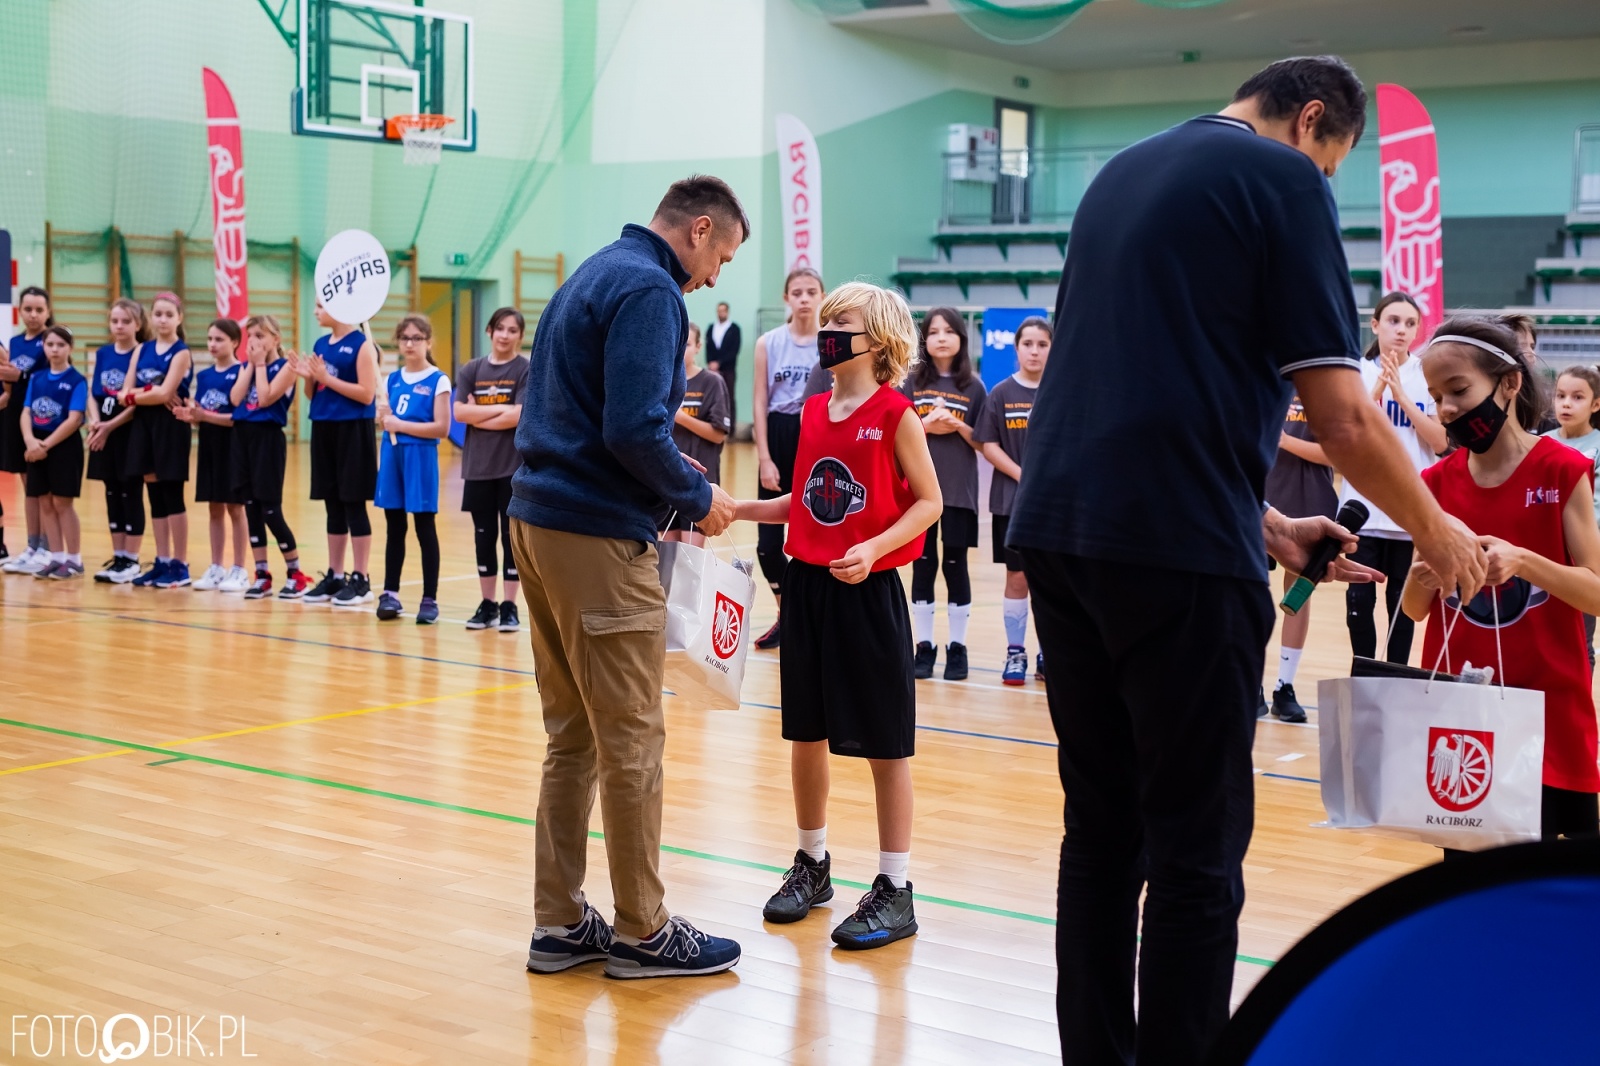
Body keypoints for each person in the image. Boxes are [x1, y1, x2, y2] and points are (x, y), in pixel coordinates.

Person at [1005, 56, 1486, 1065]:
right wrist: (1437, 531)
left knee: (1100, 833)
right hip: (1173, 559)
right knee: (1194, 846)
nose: (1327, 181)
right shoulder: (1281, 182)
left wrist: (1267, 524)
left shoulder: (1120, 173)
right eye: (1333, 161)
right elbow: (1345, 416)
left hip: (1059, 533)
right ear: (1311, 120)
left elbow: (1135, 399)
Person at [509, 175, 745, 979]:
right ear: (699, 229)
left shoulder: (593, 271)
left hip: (536, 524)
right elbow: (634, 430)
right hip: (594, 537)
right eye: (723, 255)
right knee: (632, 736)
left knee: (572, 735)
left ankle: (559, 921)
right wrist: (696, 495)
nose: (717, 275)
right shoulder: (650, 290)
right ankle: (644, 931)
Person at [735, 281, 941, 949]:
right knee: (806, 733)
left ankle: (895, 887)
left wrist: (875, 547)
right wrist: (736, 509)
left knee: (885, 743)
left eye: (839, 322)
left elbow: (929, 502)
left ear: (877, 340)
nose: (825, 332)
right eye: (823, 322)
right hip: (810, 588)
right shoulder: (812, 411)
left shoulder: (896, 412)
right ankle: (812, 863)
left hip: (870, 590)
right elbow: (803, 499)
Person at [1402, 318, 1600, 843]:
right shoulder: (1434, 484)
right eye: (1437, 396)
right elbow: (1416, 609)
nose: (1445, 409)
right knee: (1475, 894)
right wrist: (1424, 574)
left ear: (1509, 383)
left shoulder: (1563, 469)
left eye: (1459, 390)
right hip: (1465, 723)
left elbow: (1597, 594)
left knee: (1558, 897)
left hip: (1551, 719)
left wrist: (1524, 562)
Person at [1340, 291, 1447, 665]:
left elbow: (1439, 442)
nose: (1402, 330)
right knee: (1359, 607)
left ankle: (1396, 681)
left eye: (1410, 323)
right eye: (1394, 321)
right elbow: (1351, 432)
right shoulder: (1356, 370)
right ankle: (1363, 679)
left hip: (1408, 513)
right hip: (1363, 509)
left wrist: (1402, 396)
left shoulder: (1424, 374)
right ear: (1375, 325)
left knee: (1401, 613)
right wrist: (1380, 388)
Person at [904, 307, 988, 682]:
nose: (941, 337)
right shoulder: (912, 381)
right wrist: (927, 425)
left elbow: (985, 442)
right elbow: (898, 429)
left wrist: (954, 424)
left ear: (961, 339)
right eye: (933, 331)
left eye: (949, 331)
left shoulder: (975, 387)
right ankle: (924, 646)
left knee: (956, 566)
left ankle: (957, 647)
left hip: (958, 492)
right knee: (922, 565)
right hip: (918, 493)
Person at [751, 267, 825, 649]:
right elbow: (761, 401)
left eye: (811, 291)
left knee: (809, 533)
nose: (804, 298)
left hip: (816, 437)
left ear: (821, 296)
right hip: (778, 434)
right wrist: (764, 456)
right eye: (797, 292)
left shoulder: (829, 344)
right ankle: (787, 611)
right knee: (767, 543)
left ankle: (809, 619)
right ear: (786, 299)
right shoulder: (769, 342)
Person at [974, 315, 1049, 685]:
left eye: (1042, 344)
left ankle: (1049, 651)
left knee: (1052, 579)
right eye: (1028, 344)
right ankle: (1015, 652)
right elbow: (988, 444)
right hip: (1012, 501)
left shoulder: (1061, 389)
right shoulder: (1001, 393)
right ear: (1016, 348)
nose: (1034, 351)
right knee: (1017, 576)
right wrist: (1024, 475)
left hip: (1054, 504)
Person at [295, 300, 379, 608]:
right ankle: (335, 574)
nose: (315, 310)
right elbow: (311, 395)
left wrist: (327, 378)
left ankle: (361, 578)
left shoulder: (362, 345)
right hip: (323, 427)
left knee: (353, 503)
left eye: (320, 305)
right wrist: (309, 377)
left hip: (353, 430)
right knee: (332, 504)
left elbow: (367, 393)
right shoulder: (320, 343)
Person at [1263, 390, 1338, 722]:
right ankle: (1252, 682)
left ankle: (1284, 686)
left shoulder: (1321, 385)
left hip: (1309, 499)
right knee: (1251, 592)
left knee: (1298, 597)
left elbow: (1338, 454)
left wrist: (1283, 441)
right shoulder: (1260, 377)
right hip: (1261, 496)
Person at [454, 306, 529, 633]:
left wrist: (478, 411)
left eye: (512, 330)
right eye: (500, 328)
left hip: (512, 469)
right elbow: (458, 413)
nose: (504, 335)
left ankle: (509, 605)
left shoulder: (525, 369)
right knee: (483, 537)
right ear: (489, 331)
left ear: (520, 336)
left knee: (511, 539)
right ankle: (487, 604)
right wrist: (502, 410)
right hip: (478, 467)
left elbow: (519, 415)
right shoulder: (471, 369)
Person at [374, 315, 450, 625]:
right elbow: (388, 419)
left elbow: (442, 428)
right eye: (405, 338)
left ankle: (429, 599)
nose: (410, 343)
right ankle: (390, 594)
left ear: (428, 342)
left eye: (417, 338)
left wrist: (400, 424)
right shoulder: (391, 380)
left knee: (423, 526)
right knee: (394, 526)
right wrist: (383, 417)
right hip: (392, 455)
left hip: (421, 456)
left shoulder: (437, 379)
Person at [121, 292, 193, 589]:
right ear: (151, 317)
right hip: (145, 425)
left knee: (172, 493)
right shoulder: (142, 349)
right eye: (158, 314)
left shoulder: (181, 352)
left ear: (179, 318)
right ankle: (162, 560)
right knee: (154, 495)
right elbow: (124, 392)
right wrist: (145, 392)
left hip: (171, 426)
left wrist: (140, 393)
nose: (162, 319)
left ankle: (180, 563)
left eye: (168, 314)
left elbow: (166, 395)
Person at [231, 315, 306, 600]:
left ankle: (296, 573)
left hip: (268, 439)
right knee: (251, 506)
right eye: (251, 336)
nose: (254, 342)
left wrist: (260, 364)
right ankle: (262, 574)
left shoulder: (286, 367)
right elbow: (237, 399)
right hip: (243, 438)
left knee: (270, 509)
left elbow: (264, 398)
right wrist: (251, 364)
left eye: (260, 336)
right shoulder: (247, 366)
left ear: (276, 338)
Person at [179, 320, 250, 593]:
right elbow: (203, 413)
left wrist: (205, 415)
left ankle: (240, 569)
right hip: (209, 447)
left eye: (219, 339)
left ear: (234, 342)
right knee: (214, 508)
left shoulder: (242, 372)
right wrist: (190, 416)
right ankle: (216, 567)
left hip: (233, 448)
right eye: (209, 339)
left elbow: (238, 418)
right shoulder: (206, 376)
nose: (212, 344)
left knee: (235, 507)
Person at [87, 299, 149, 584]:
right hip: (104, 432)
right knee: (111, 491)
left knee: (130, 491)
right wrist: (95, 421)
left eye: (126, 321)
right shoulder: (103, 353)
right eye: (115, 321)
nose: (120, 326)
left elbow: (137, 401)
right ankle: (119, 556)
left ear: (137, 324)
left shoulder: (142, 353)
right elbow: (93, 391)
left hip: (129, 432)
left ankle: (133, 560)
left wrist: (109, 426)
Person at [1542, 363, 1600, 665]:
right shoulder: (1543, 442)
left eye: (1577, 397)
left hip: (1583, 560)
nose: (1566, 403)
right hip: (1544, 554)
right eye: (1561, 395)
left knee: (1579, 640)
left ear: (1596, 404)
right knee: (1544, 634)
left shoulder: (1597, 446)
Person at [20, 325, 86, 579]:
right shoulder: (37, 378)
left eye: (61, 345)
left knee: (62, 502)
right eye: (50, 345)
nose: (55, 349)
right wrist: (30, 441)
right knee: (44, 501)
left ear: (70, 348)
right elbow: (26, 411)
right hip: (37, 443)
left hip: (63, 446)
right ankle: (56, 557)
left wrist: (45, 447)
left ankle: (74, 559)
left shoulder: (76, 380)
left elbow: (74, 419)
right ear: (44, 348)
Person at [0, 286, 55, 570]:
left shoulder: (51, 340)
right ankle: (32, 545)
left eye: (39, 310)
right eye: (28, 309)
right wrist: (7, 390)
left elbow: (50, 376)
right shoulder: (16, 341)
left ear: (47, 311)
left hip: (40, 419)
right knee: (26, 485)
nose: (33, 315)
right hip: (15, 417)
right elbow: (9, 378)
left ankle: (47, 547)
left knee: (41, 486)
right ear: (19, 311)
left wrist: (20, 374)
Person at [663, 322, 730, 546]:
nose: (681, 350)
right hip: (665, 480)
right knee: (665, 563)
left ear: (699, 347)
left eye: (688, 344)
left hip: (698, 482)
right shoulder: (662, 381)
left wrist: (681, 418)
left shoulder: (712, 382)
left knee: (689, 563)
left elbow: (718, 434)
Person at [705, 301, 740, 426]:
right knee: (712, 397)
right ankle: (713, 424)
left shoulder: (734, 329)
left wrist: (719, 363)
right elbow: (708, 348)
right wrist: (710, 363)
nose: (721, 313)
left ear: (727, 312)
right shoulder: (711, 328)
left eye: (723, 311)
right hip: (712, 370)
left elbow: (734, 351)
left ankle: (730, 429)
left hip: (728, 369)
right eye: (719, 311)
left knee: (729, 397)